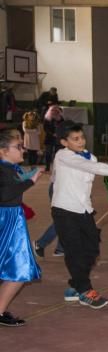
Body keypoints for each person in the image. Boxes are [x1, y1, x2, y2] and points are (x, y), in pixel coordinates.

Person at [51, 123, 108, 309]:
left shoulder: (91, 156)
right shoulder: (63, 155)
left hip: (84, 210)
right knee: (74, 251)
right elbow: (92, 167)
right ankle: (85, 290)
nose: (81, 141)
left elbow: (93, 165)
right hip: (64, 210)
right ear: (64, 142)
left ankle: (75, 285)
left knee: (92, 250)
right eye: (75, 139)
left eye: (82, 137)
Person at [0, 129, 43, 327]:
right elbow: (6, 194)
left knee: (11, 268)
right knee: (18, 269)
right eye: (18, 147)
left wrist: (28, 175)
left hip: (10, 218)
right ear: (3, 151)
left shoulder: (8, 168)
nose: (22, 149)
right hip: (7, 220)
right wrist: (30, 181)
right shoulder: (4, 169)